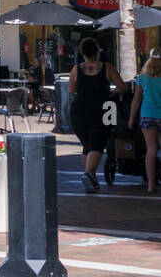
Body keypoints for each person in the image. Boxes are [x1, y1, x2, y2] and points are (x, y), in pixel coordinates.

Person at [69, 36, 130, 193]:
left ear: (82, 52)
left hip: (79, 111)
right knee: (97, 143)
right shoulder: (107, 68)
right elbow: (123, 87)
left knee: (87, 145)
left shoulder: (76, 69)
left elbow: (71, 90)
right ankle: (88, 174)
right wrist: (112, 91)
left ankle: (92, 179)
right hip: (102, 110)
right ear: (98, 51)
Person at [129, 48, 161, 194]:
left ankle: (151, 185)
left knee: (151, 149)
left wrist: (131, 118)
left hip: (147, 115)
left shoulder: (143, 78)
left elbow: (136, 99)